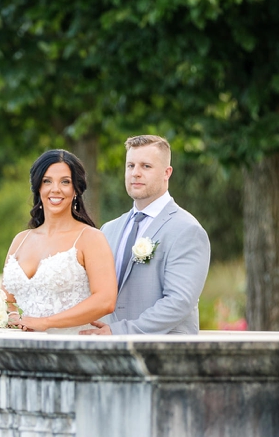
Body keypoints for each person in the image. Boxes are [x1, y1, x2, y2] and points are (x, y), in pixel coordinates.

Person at [80, 135, 210, 335]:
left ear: (167, 173)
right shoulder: (109, 229)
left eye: (146, 166)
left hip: (162, 355)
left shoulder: (187, 230)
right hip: (108, 353)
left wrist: (119, 331)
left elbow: (178, 303)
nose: (135, 173)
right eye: (130, 166)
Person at [1, 149, 117, 333]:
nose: (55, 189)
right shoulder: (20, 240)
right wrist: (13, 316)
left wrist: (46, 322)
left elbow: (105, 301)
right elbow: (5, 300)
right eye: (47, 181)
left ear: (76, 190)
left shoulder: (90, 238)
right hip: (21, 350)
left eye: (65, 182)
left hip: (70, 348)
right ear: (38, 187)